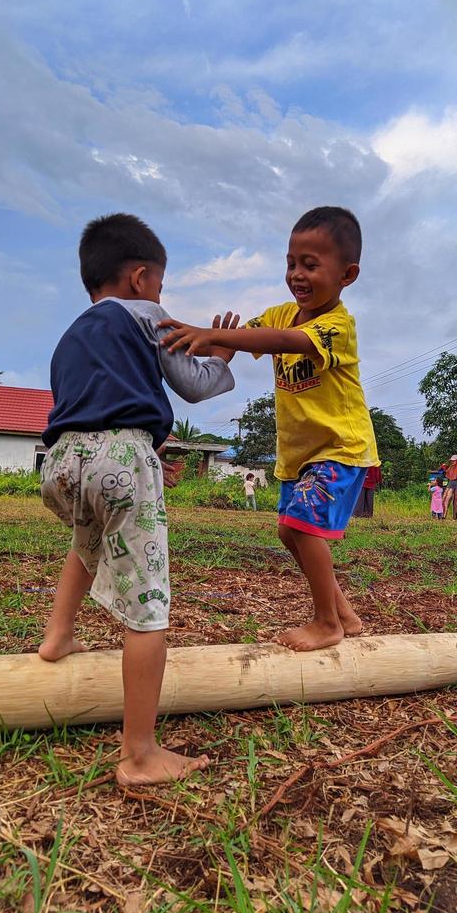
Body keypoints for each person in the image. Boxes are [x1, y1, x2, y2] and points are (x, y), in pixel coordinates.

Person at [38, 213, 236, 788]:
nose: (161, 295)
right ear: (140, 278)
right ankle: (140, 753)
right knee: (148, 604)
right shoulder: (150, 317)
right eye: (161, 285)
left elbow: (90, 404)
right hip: (121, 457)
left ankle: (58, 636)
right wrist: (222, 353)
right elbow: (194, 384)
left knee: (89, 541)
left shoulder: (70, 335)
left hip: (60, 463)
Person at [160, 206, 379, 651]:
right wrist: (215, 349)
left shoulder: (337, 327)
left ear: (347, 274)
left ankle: (326, 624)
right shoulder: (281, 314)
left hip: (340, 448)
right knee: (288, 530)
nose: (297, 274)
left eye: (311, 265)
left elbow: (283, 342)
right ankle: (345, 614)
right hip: (299, 457)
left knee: (301, 527)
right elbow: (247, 337)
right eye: (291, 263)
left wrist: (211, 334)